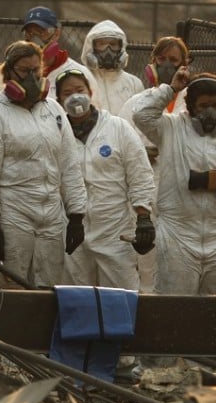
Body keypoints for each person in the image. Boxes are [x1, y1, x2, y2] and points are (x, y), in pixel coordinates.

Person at [132, 73, 216, 295]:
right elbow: (141, 114)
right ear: (191, 106)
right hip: (178, 234)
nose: (209, 111)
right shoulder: (170, 128)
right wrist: (172, 88)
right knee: (174, 304)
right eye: (203, 105)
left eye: (215, 105)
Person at [0, 40, 88, 288]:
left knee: (49, 286)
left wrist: (76, 215)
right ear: (9, 72)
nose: (32, 77)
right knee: (11, 285)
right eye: (25, 71)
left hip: (51, 214)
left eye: (36, 70)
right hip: (13, 212)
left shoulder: (54, 110)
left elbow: (69, 164)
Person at [56, 69, 155, 290]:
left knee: (121, 294)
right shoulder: (56, 133)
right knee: (77, 293)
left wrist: (143, 216)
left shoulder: (117, 127)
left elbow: (140, 173)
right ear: (58, 100)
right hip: (71, 230)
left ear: (90, 92)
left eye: (80, 90)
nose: (75, 97)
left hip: (114, 230)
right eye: (67, 93)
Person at [118, 35, 193, 293]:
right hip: (146, 191)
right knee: (146, 262)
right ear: (152, 62)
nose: (167, 66)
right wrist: (140, 152)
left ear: (186, 64)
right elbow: (122, 141)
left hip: (182, 192)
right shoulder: (135, 104)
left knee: (179, 263)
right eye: (161, 60)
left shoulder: (193, 102)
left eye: (174, 60)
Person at [0, 6, 98, 97]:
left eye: (41, 32)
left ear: (56, 34)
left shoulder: (80, 73)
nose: (35, 39)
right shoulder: (10, 72)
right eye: (29, 33)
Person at [79, 20, 143, 116]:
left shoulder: (133, 83)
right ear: (91, 47)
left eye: (113, 44)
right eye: (101, 44)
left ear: (121, 47)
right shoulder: (82, 80)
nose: (108, 50)